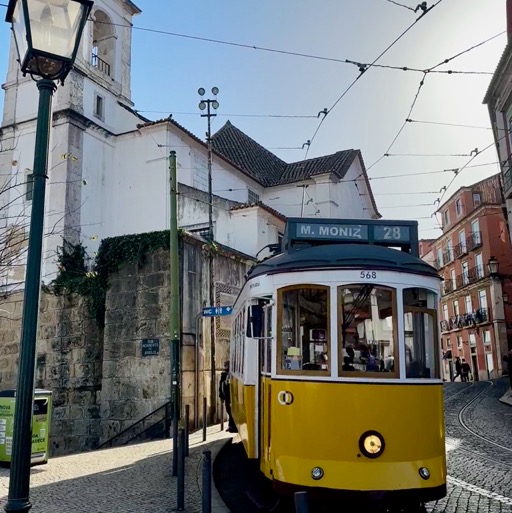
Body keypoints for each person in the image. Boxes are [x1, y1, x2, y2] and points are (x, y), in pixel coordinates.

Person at [219, 361, 237, 433]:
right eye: (225, 366)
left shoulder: (232, 375)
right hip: (226, 396)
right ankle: (231, 425)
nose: (225, 367)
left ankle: (231, 426)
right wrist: (221, 396)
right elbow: (221, 387)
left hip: (231, 396)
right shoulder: (223, 375)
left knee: (230, 411)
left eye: (226, 366)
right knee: (228, 411)